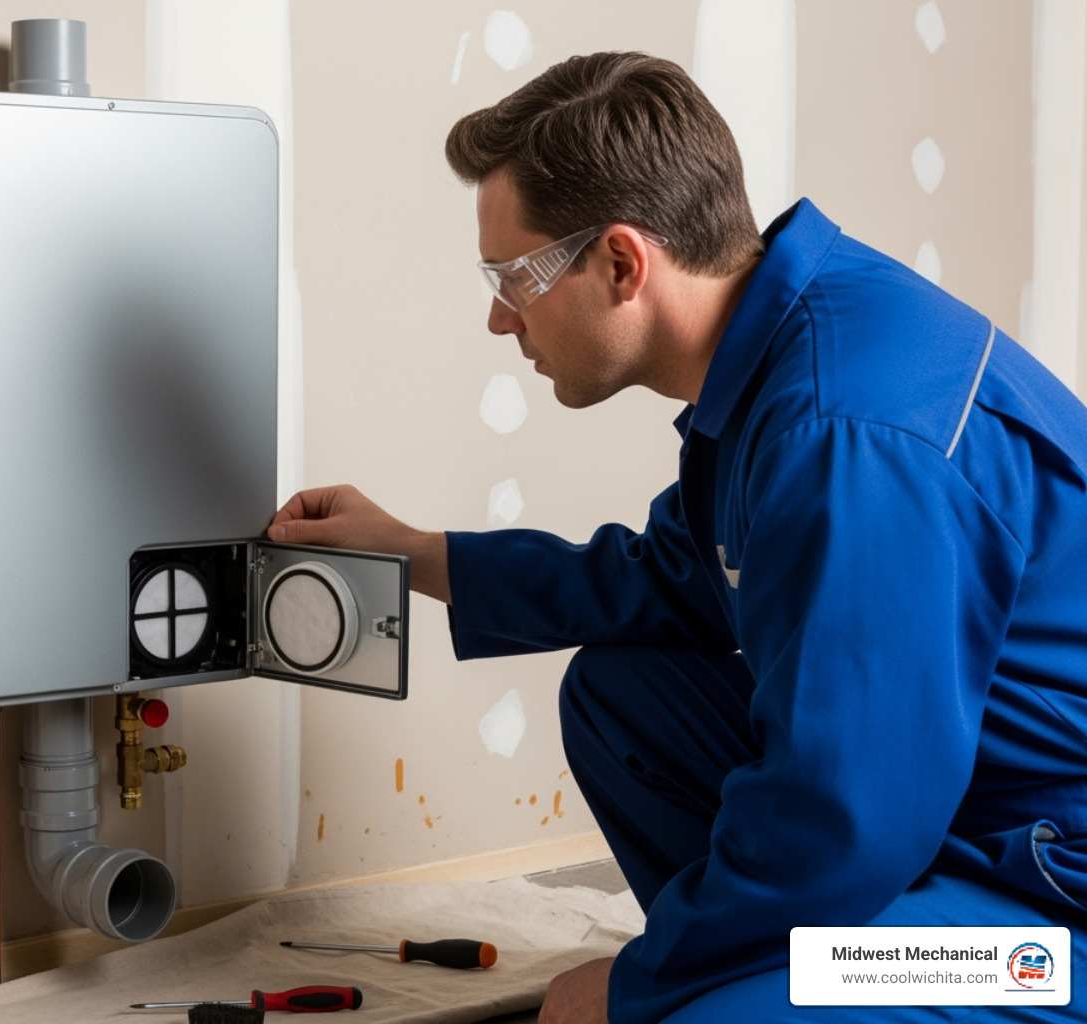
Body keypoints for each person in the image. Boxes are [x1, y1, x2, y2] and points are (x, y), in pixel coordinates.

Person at [266, 52, 1087, 1024]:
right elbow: (666, 579)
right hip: (955, 822)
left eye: (513, 276)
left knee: (701, 1016)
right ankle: (770, 961)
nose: (497, 317)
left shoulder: (844, 434)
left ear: (622, 261)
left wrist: (643, 978)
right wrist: (416, 552)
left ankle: (772, 979)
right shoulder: (783, 350)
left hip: (1045, 915)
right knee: (624, 694)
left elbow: (846, 822)